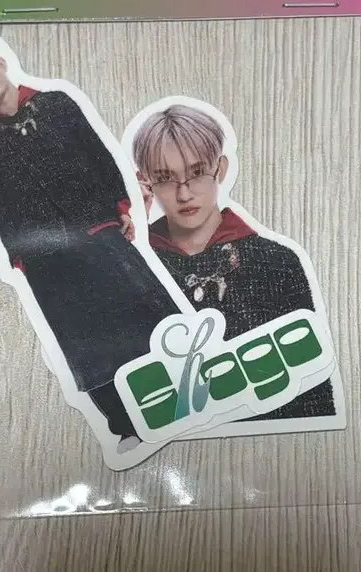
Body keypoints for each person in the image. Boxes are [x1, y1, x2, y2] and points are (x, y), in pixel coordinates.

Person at [0, 43, 182, 453]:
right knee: (84, 339)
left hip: (96, 228)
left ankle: (187, 385)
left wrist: (121, 207)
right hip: (45, 258)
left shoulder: (57, 103)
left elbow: (98, 155)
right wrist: (20, 256)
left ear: (2, 63)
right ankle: (125, 425)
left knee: (140, 308)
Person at [131, 103, 336, 422]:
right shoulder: (136, 269)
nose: (184, 194)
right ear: (145, 183)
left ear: (220, 169)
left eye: (197, 173)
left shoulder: (276, 262)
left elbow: (313, 385)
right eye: (166, 178)